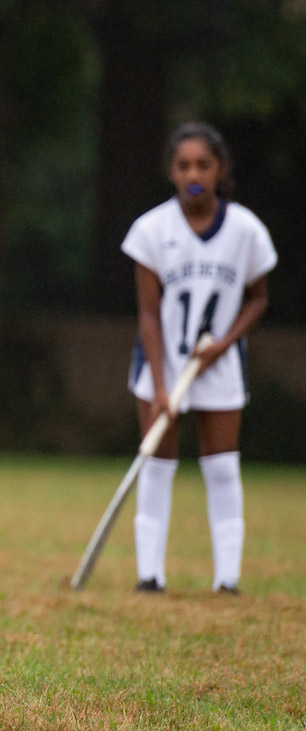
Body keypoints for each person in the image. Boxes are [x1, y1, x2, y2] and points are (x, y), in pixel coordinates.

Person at [122, 121, 276, 594]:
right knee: (157, 464)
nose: (194, 173)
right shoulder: (151, 230)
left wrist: (224, 343)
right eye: (184, 164)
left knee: (223, 465)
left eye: (203, 165)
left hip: (220, 366)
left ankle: (227, 578)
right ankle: (150, 575)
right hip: (162, 366)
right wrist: (164, 388)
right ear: (171, 171)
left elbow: (258, 298)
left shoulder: (246, 230)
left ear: (220, 170)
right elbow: (149, 315)